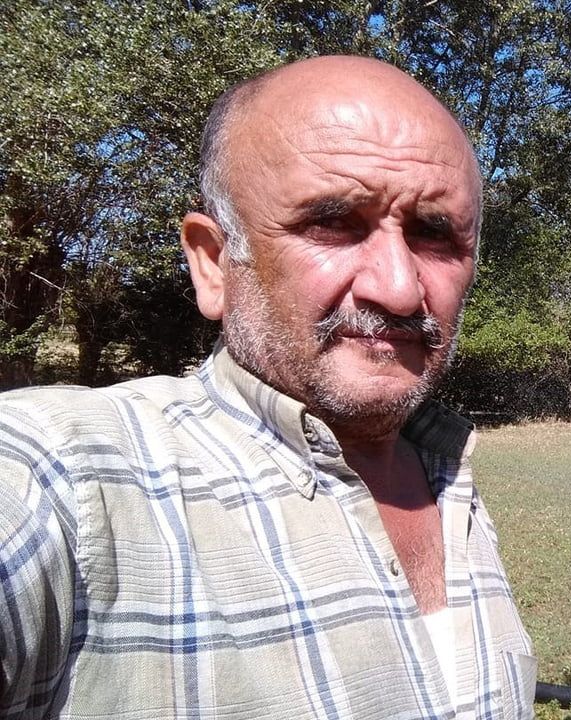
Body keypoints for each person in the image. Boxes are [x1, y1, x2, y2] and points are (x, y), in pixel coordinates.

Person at [0, 56, 535, 719]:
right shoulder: (66, 476)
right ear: (213, 261)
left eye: (435, 235)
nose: (397, 287)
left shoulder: (450, 478)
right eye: (333, 223)